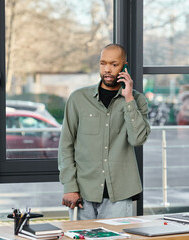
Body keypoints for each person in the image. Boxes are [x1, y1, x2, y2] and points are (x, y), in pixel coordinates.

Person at [58, 43, 151, 220]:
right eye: (103, 63)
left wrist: (129, 99)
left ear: (125, 66)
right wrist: (69, 186)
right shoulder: (78, 99)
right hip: (83, 191)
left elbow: (137, 139)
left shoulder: (137, 100)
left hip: (121, 192)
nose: (107, 69)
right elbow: (66, 145)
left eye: (114, 64)